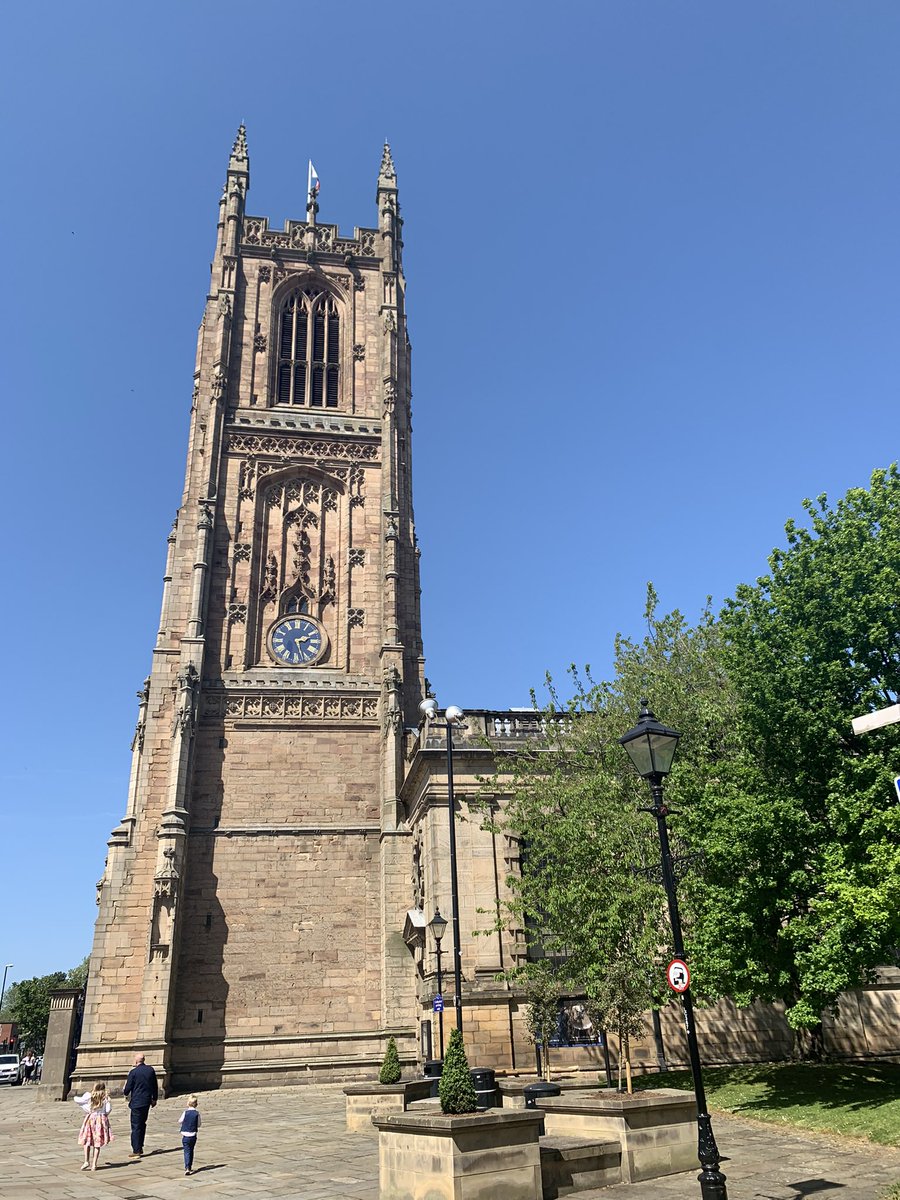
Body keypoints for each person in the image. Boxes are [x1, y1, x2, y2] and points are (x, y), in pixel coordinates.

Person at [123, 1052, 158, 1159]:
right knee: (142, 1124)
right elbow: (155, 1086)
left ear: (136, 1061)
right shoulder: (150, 1070)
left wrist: (125, 1091)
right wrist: (154, 1099)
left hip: (137, 1103)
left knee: (136, 1126)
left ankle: (136, 1150)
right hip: (147, 1101)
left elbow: (127, 1089)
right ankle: (140, 1146)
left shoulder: (133, 1072)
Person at [77, 1082, 112, 1171]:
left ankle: (86, 1161)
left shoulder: (90, 1096)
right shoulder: (105, 1098)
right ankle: (94, 1164)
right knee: (97, 1143)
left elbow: (79, 1101)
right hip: (101, 1120)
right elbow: (108, 1109)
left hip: (91, 1119)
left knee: (87, 1141)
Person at [177, 1094, 201, 1176]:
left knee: (186, 1151)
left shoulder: (185, 1112)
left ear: (188, 1103)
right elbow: (199, 1124)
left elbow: (180, 1121)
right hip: (193, 1135)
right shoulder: (197, 1114)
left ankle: (187, 1167)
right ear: (196, 1104)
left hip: (185, 1135)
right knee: (191, 1150)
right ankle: (189, 1166)